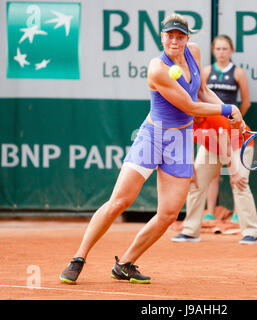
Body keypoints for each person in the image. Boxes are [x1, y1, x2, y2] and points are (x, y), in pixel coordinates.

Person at [59, 14, 244, 285]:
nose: (175, 40)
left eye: (180, 36)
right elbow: (190, 107)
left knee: (169, 213)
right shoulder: (157, 68)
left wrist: (229, 119)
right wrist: (228, 108)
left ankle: (125, 263)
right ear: (162, 36)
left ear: (187, 38)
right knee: (119, 202)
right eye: (170, 35)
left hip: (180, 142)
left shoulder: (193, 52)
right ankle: (78, 258)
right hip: (153, 137)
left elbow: (202, 92)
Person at [171, 35, 257, 245]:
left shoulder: (211, 113)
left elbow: (226, 139)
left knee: (239, 182)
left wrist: (234, 168)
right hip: (212, 145)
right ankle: (191, 230)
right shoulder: (182, 115)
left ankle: (251, 232)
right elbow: (187, 141)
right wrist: (190, 168)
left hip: (238, 142)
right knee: (195, 183)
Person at [203, 35, 252, 223]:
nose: (221, 53)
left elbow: (246, 102)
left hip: (231, 128)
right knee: (213, 173)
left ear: (231, 50)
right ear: (213, 51)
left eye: (225, 49)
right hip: (212, 129)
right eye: (218, 49)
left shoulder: (238, 73)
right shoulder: (206, 72)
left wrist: (236, 120)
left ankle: (238, 213)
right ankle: (209, 211)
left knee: (236, 171)